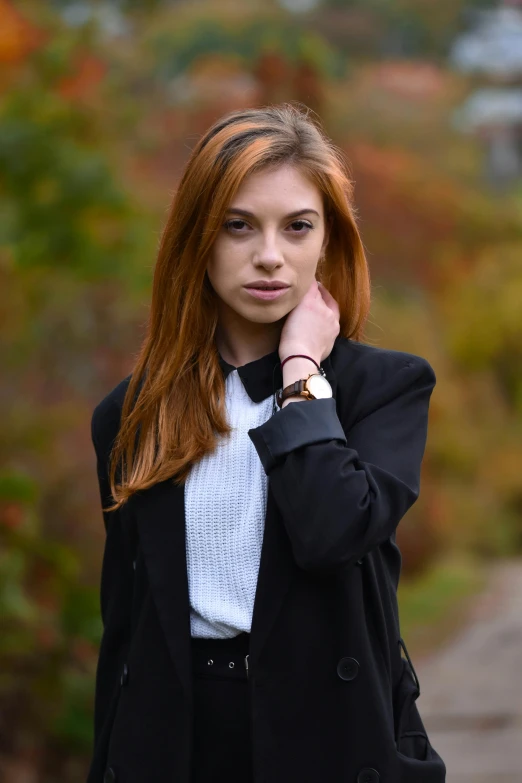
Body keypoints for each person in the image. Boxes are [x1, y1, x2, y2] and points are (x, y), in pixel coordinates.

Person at [86, 103, 447, 783]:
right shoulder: (131, 414)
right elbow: (126, 630)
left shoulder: (383, 388)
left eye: (298, 226)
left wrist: (301, 375)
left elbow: (334, 531)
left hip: (329, 737)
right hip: (176, 743)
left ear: (328, 241)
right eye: (238, 226)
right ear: (198, 238)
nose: (270, 256)